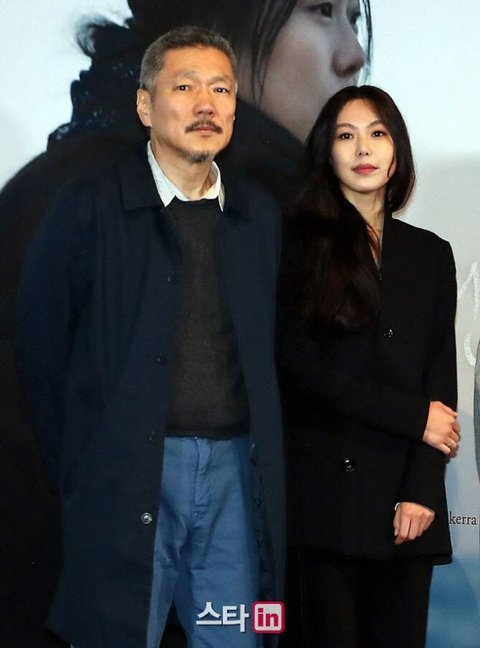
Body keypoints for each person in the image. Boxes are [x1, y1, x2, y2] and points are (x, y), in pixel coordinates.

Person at [1, 3, 370, 645]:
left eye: (353, 18)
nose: (353, 54)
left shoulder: (274, 218)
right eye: (320, 10)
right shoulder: (70, 202)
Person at [16, 26, 284, 648]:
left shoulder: (258, 216)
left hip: (234, 475)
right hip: (128, 471)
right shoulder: (88, 205)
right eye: (185, 87)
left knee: (235, 637)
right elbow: (39, 345)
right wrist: (86, 459)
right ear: (144, 105)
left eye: (221, 89)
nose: (206, 105)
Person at [277, 85, 460, 648]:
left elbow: (440, 380)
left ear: (396, 150)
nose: (363, 149)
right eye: (346, 135)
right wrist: (411, 417)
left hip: (408, 503)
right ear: (326, 152)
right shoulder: (296, 245)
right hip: (325, 501)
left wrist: (423, 490)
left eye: (378, 133)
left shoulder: (431, 253)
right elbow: (300, 367)